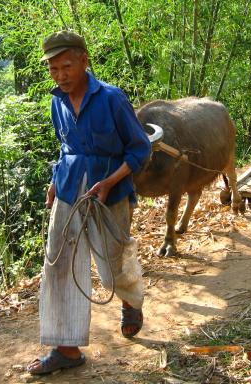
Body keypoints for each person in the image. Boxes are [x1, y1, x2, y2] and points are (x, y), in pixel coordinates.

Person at [27, 30, 151, 375]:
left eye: (66, 66)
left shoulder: (112, 99)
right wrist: (54, 181)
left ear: (84, 60)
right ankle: (66, 348)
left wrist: (111, 182)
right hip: (69, 188)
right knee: (59, 263)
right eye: (53, 69)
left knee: (112, 263)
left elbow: (140, 149)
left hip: (108, 192)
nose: (60, 75)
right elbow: (65, 147)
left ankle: (130, 301)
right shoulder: (57, 101)